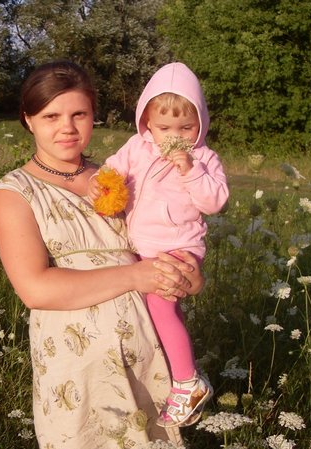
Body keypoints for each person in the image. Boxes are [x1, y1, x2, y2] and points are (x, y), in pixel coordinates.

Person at [0, 60, 204, 449]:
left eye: (78, 114)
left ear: (93, 116)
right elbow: (35, 289)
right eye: (51, 116)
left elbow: (173, 242)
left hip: (147, 360)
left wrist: (187, 274)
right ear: (28, 120)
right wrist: (136, 276)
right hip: (77, 372)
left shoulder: (121, 177)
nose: (67, 128)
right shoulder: (16, 193)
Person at [88, 62, 229, 428]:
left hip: (180, 246)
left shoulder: (204, 158)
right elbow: (112, 169)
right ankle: (174, 370)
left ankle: (187, 383)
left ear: (201, 124)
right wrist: (104, 182)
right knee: (159, 313)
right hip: (144, 247)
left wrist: (190, 170)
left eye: (186, 128)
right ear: (147, 122)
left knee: (161, 308)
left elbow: (214, 202)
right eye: (164, 128)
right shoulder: (137, 147)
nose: (174, 137)